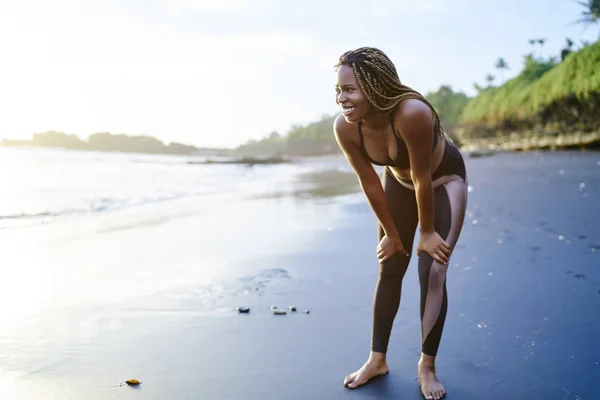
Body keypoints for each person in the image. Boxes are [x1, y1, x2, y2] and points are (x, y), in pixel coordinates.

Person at [333, 47, 468, 400]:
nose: (341, 99)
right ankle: (377, 360)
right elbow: (370, 182)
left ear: (374, 85)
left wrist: (425, 232)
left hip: (441, 182)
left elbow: (424, 177)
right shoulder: (346, 129)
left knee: (433, 270)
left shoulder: (412, 113)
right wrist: (393, 235)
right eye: (337, 90)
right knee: (391, 265)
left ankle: (427, 366)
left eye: (350, 89)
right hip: (399, 183)